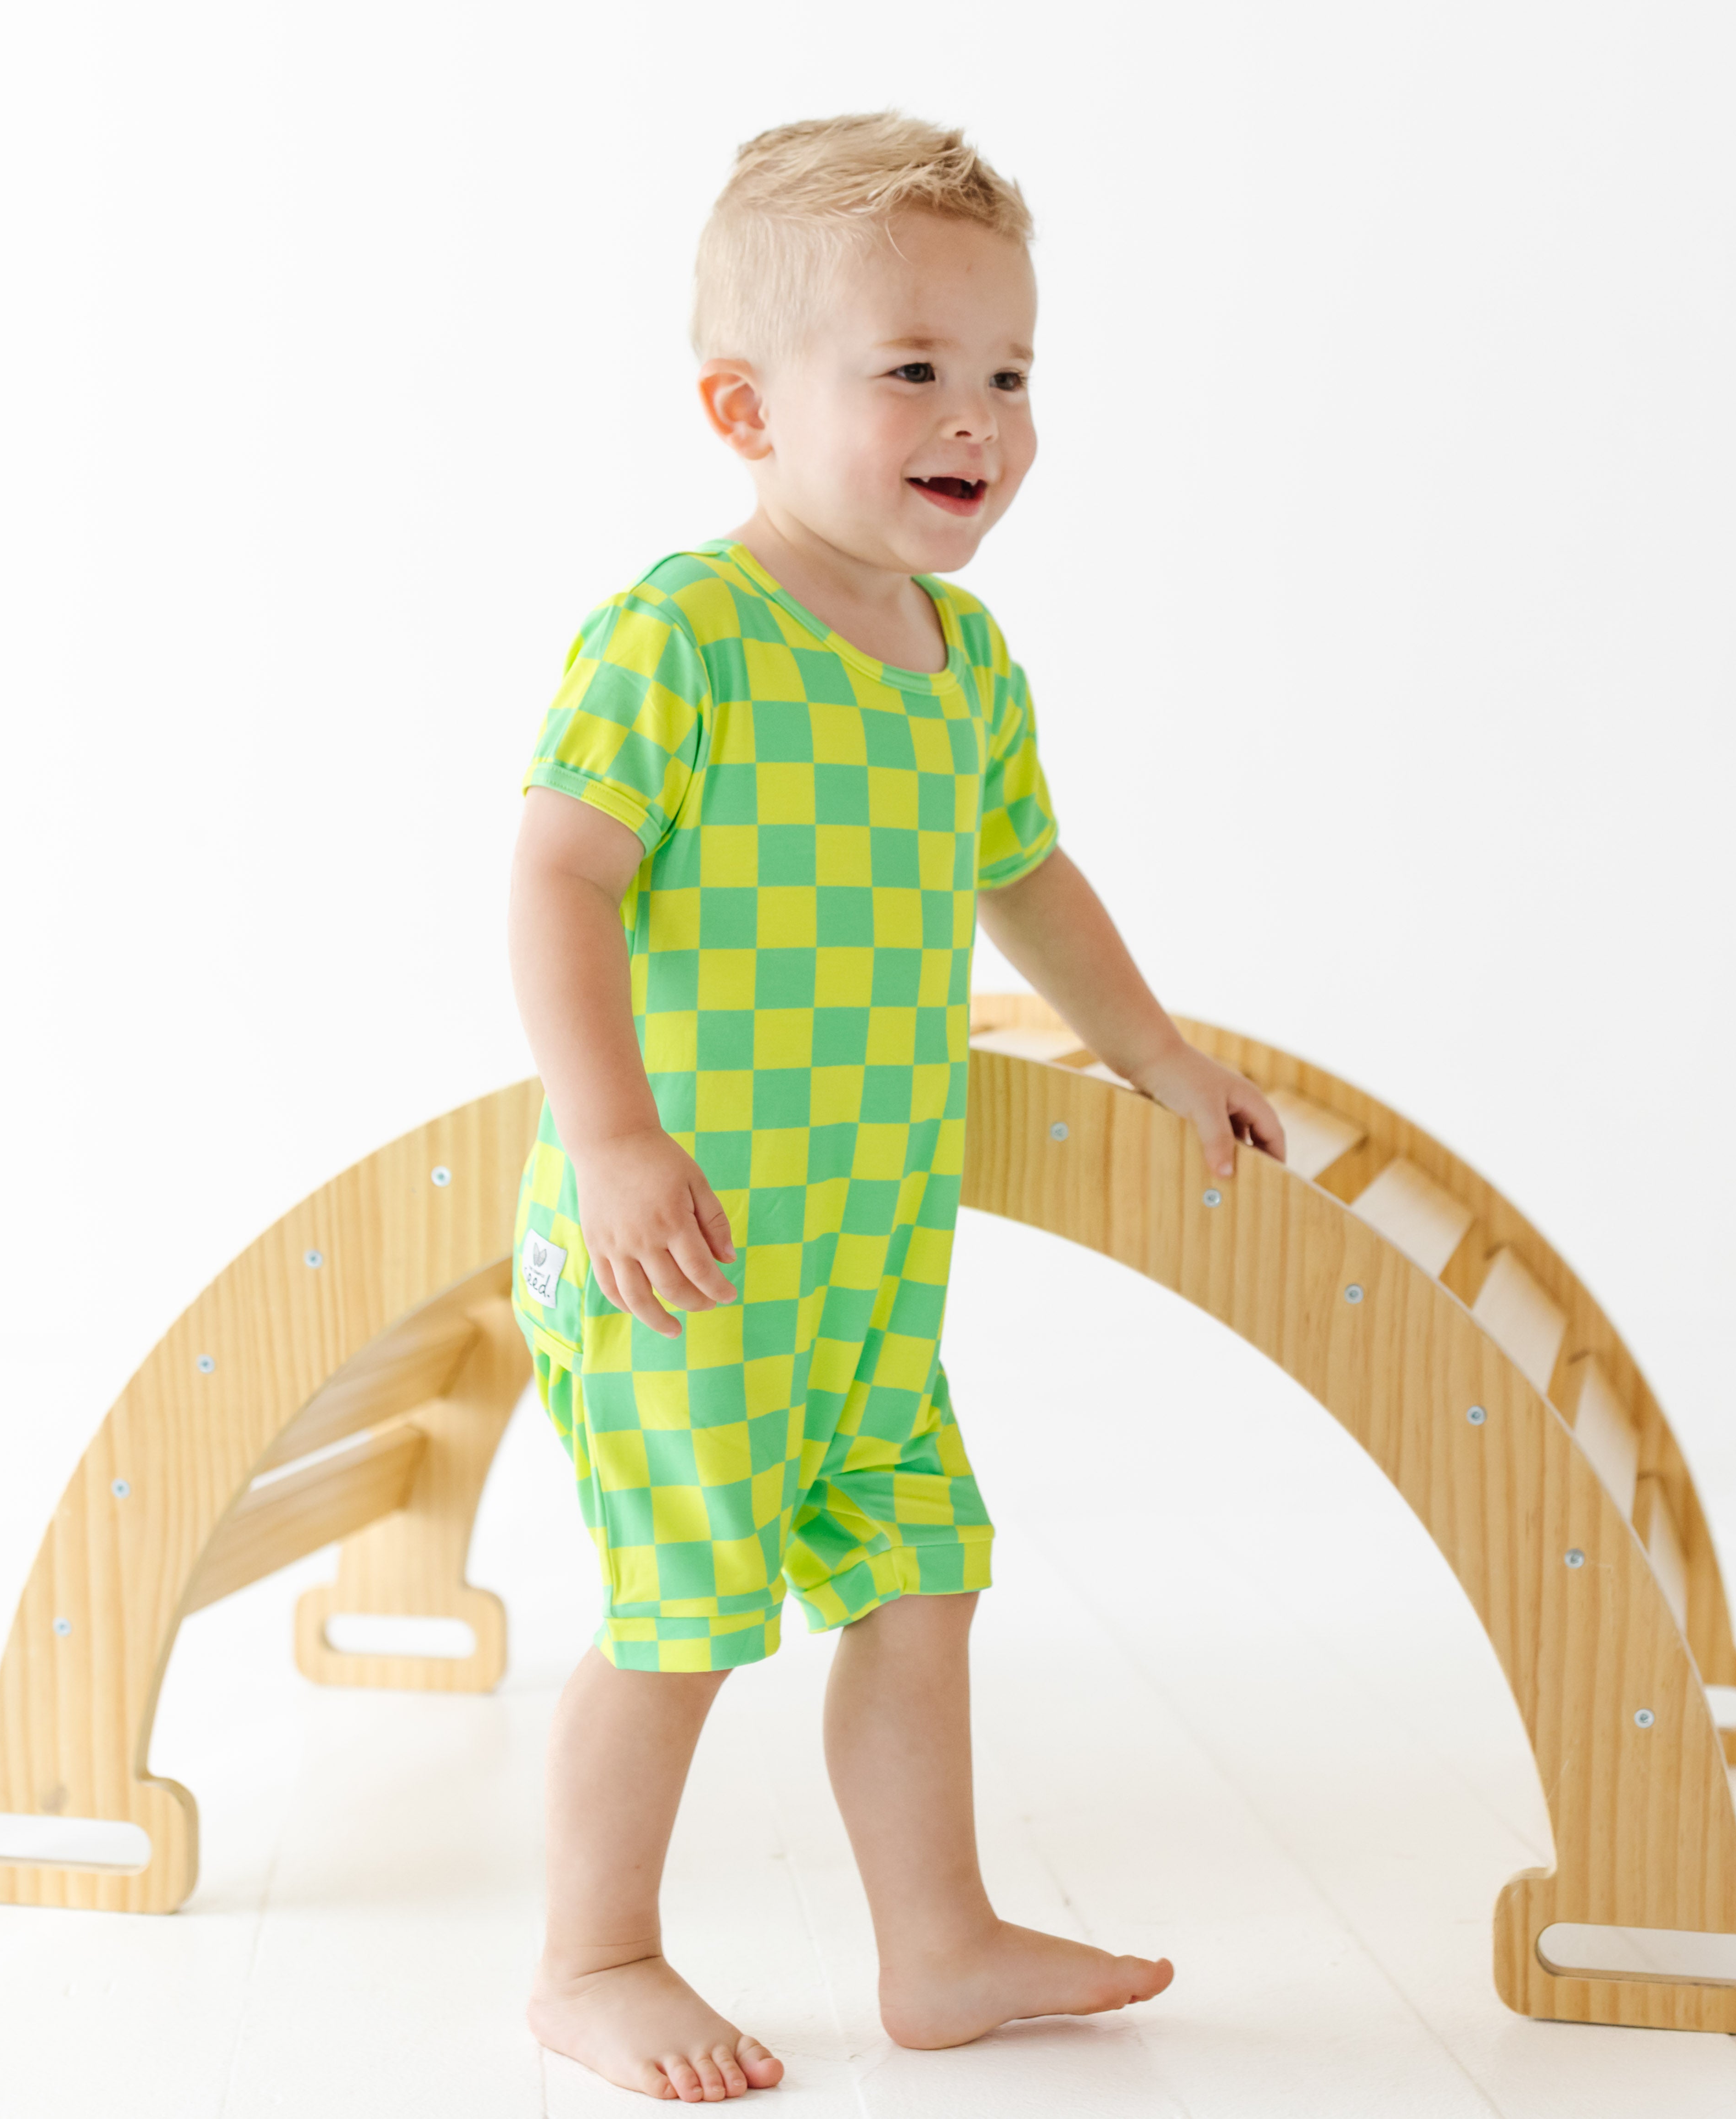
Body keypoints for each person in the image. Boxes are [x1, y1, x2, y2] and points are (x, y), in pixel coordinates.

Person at [506, 112, 1284, 2105]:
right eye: (915, 371)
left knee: (919, 1576)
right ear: (744, 408)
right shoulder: (681, 637)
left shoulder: (961, 662)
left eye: (1008, 372)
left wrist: (1160, 1057)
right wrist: (610, 1140)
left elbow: (1028, 878)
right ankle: (591, 1953)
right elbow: (557, 878)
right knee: (683, 1615)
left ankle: (936, 1942)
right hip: (681, 1257)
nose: (979, 419)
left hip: (862, 1262)